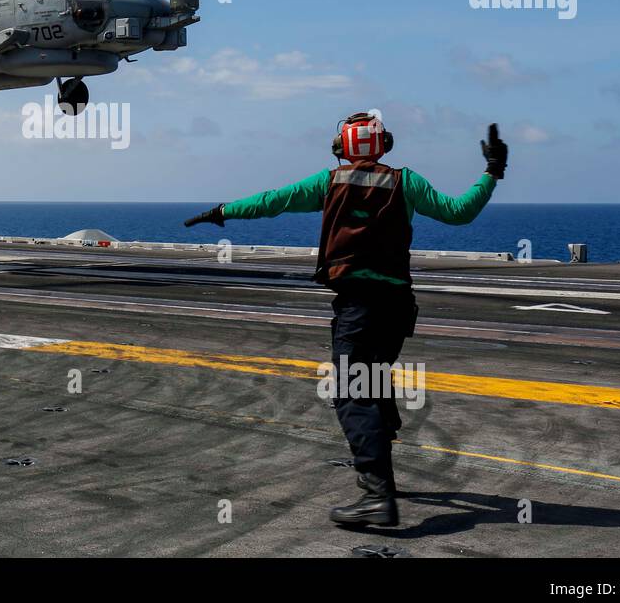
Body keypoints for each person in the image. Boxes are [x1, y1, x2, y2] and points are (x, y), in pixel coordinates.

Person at [184, 113, 508, 527]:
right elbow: (460, 212)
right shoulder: (404, 182)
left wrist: (223, 210)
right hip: (397, 306)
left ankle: (377, 493)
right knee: (373, 379)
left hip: (359, 307)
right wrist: (491, 172)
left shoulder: (330, 182)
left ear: (342, 147)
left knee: (352, 393)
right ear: (383, 145)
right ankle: (381, 453)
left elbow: (272, 201)